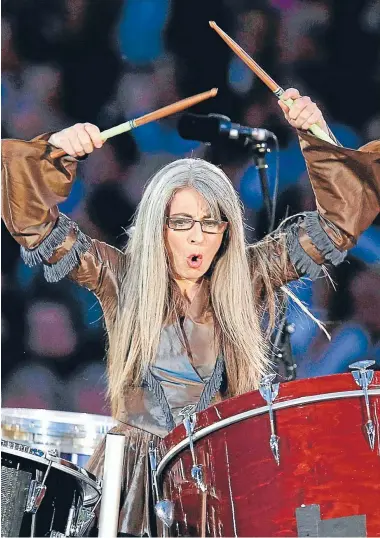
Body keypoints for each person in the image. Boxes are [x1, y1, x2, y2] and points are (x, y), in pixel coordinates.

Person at [2, 88, 379, 536]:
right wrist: (55, 151)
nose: (197, 237)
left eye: (210, 222)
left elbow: (338, 222)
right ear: (158, 226)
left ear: (227, 228)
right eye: (181, 223)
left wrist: (315, 134)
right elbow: (31, 221)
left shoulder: (248, 275)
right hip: (136, 481)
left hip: (223, 472)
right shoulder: (122, 277)